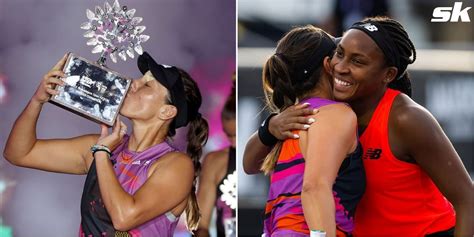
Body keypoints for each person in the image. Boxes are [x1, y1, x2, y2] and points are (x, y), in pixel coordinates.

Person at [243, 16, 474, 237]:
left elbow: (467, 198)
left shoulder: (406, 118)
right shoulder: (324, 111)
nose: (341, 67)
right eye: (339, 54)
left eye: (357, 61)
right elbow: (250, 164)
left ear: (388, 74)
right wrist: (270, 127)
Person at [3, 51, 209, 237]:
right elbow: (19, 153)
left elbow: (124, 217)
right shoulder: (102, 146)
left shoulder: (176, 165)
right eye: (138, 79)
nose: (132, 83)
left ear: (167, 112)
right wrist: (37, 101)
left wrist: (101, 153)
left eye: (146, 85)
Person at [251, 25, 365, 237]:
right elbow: (314, 187)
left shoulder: (288, 120)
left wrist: (269, 127)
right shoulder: (335, 114)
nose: (343, 64)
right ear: (327, 65)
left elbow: (249, 164)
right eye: (338, 55)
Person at [195, 79, 236, 237]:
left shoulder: (263, 157)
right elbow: (201, 225)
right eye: (229, 136)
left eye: (237, 136)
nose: (233, 142)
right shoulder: (214, 161)